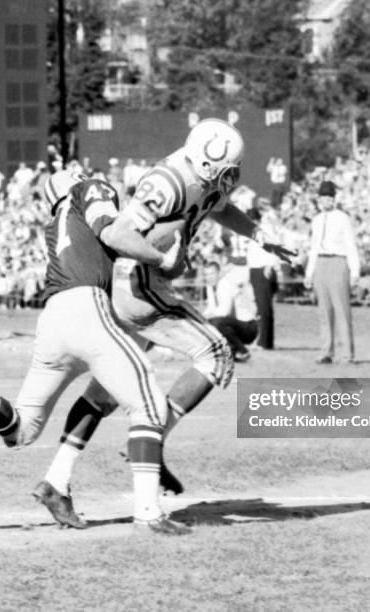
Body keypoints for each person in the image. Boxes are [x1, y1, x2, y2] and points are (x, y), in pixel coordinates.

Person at [37, 119, 294, 525]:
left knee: (105, 389)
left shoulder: (203, 179)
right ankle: (153, 448)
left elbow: (220, 209)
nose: (233, 176)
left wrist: (259, 236)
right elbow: (118, 235)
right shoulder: (168, 181)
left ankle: (56, 480)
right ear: (209, 165)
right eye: (228, 170)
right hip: (137, 284)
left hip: (135, 285)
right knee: (215, 353)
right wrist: (162, 259)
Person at [0, 168, 191, 536]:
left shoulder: (56, 222)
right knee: (150, 406)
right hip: (87, 308)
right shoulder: (91, 189)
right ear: (74, 181)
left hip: (53, 320)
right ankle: (149, 514)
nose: (90, 175)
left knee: (22, 430)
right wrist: (163, 259)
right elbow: (112, 232)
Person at [304, 180, 360, 364]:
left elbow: (350, 245)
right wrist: (309, 272)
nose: (326, 200)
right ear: (319, 199)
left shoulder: (342, 218)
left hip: (338, 260)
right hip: (321, 261)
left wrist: (354, 271)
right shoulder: (317, 220)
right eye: (323, 197)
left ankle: (346, 353)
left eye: (330, 197)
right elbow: (313, 247)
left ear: (334, 199)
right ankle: (326, 351)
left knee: (341, 309)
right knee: (324, 310)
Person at [203, 261, 258, 362]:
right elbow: (211, 308)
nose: (209, 277)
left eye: (212, 273)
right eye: (206, 274)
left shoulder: (225, 284)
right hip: (233, 324)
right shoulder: (210, 287)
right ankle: (232, 352)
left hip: (248, 326)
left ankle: (242, 350)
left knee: (215, 322)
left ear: (219, 273)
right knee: (210, 322)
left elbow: (224, 311)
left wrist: (206, 318)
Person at [246, 208, 281, 350]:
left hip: (263, 269)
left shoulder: (265, 231)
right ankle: (265, 340)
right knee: (262, 307)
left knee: (264, 307)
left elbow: (275, 247)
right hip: (255, 269)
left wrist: (270, 265)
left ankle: (265, 341)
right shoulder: (251, 233)